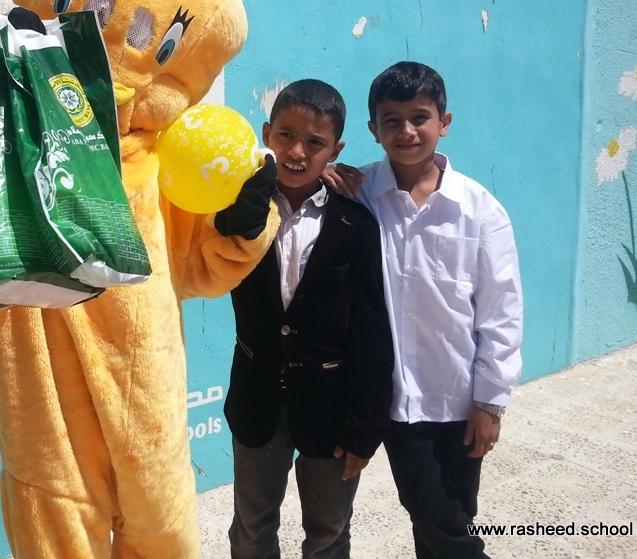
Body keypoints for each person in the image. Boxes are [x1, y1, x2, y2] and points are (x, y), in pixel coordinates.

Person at [325, 61, 524, 558]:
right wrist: (322, 171)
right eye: (391, 120)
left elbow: (501, 312)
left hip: (454, 400)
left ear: (444, 122)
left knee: (450, 518)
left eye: (420, 117)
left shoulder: (480, 211)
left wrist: (490, 402)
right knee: (438, 520)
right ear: (373, 129)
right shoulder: (358, 192)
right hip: (391, 401)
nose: (407, 131)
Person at [223, 79, 394, 559]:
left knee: (329, 532)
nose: (297, 152)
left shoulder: (356, 224)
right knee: (252, 528)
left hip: (332, 406)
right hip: (257, 399)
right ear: (267, 134)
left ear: (334, 151)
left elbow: (371, 331)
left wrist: (364, 426)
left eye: (315, 143)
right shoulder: (240, 210)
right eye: (286, 135)